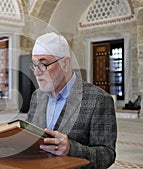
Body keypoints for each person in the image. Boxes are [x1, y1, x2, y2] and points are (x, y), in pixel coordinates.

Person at [26, 32, 117, 169]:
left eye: (44, 64)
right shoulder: (37, 96)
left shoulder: (98, 100)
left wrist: (70, 149)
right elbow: (29, 135)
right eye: (34, 64)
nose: (36, 72)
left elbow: (106, 155)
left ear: (65, 64)